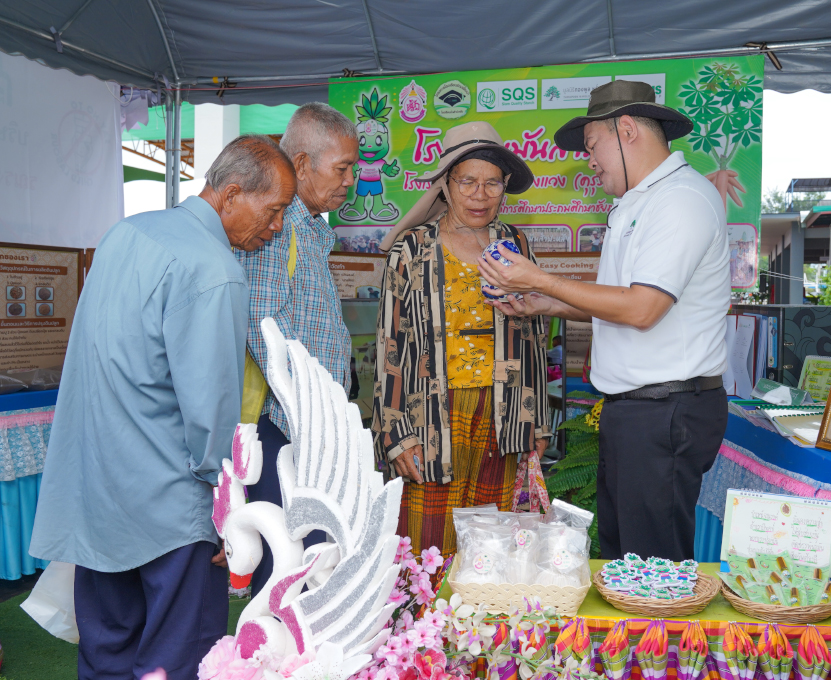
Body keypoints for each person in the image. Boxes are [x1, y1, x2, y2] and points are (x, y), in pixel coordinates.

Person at [29, 135, 296, 680]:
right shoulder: (214, 268)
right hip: (171, 505)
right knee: (179, 658)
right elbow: (211, 409)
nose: (276, 227)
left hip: (98, 490)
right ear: (230, 194)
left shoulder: (126, 233)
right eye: (273, 211)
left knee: (106, 650)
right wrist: (228, 512)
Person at [478, 80, 730, 562]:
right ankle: (632, 638)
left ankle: (662, 640)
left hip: (666, 410)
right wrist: (543, 303)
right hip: (634, 411)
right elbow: (616, 301)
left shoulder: (680, 200)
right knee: (622, 554)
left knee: (652, 563)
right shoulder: (635, 204)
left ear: (628, 130)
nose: (590, 161)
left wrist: (543, 279)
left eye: (593, 147)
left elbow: (641, 308)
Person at [373, 121, 550, 553]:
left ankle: (484, 623)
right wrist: (396, 434)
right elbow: (389, 345)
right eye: (467, 181)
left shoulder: (515, 244)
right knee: (427, 547)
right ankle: (425, 623)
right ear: (446, 186)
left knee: (493, 547)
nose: (480, 194)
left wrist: (539, 420)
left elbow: (534, 337)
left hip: (505, 416)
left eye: (492, 183)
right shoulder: (412, 249)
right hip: (431, 417)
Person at [236, 102, 358, 597]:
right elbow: (262, 329)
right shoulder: (276, 225)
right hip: (284, 425)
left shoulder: (309, 227)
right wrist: (305, 418)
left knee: (308, 553)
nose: (351, 180)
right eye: (343, 167)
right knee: (286, 559)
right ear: (303, 164)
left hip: (307, 425)